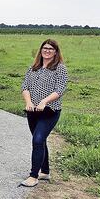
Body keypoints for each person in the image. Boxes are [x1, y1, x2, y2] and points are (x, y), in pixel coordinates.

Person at [20, 39, 68, 187]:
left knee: (38, 140)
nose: (47, 51)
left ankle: (33, 176)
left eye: (50, 49)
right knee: (40, 140)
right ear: (41, 50)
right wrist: (28, 102)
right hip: (32, 111)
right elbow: (25, 86)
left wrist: (44, 101)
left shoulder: (60, 69)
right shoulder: (33, 68)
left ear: (56, 52)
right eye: (44, 48)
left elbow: (59, 90)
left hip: (49, 111)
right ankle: (45, 171)